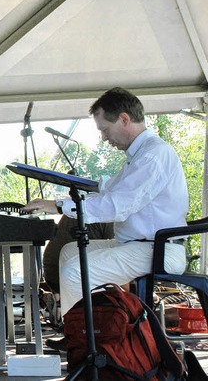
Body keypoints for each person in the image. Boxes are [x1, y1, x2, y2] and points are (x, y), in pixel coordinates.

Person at [23, 87, 188, 350]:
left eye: (104, 129)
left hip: (158, 249)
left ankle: (85, 342)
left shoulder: (154, 156)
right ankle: (98, 329)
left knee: (74, 271)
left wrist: (57, 205)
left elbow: (118, 206)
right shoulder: (141, 155)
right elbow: (110, 189)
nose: (103, 138)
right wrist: (69, 188)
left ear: (124, 119)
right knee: (69, 253)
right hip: (141, 244)